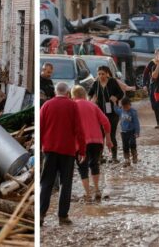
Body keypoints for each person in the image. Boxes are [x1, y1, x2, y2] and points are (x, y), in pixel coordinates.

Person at [40, 82, 86, 226]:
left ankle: (41, 215)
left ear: (55, 92)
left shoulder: (46, 105)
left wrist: (41, 147)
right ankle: (63, 216)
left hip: (49, 150)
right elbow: (79, 129)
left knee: (46, 183)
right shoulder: (73, 106)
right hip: (67, 151)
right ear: (67, 93)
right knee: (65, 184)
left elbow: (40, 127)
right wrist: (82, 150)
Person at [71, 85, 112, 201]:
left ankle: (88, 194)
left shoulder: (72, 106)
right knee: (94, 164)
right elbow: (106, 122)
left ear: (73, 96)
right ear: (84, 95)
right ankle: (97, 190)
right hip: (97, 141)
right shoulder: (93, 106)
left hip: (80, 143)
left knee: (82, 167)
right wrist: (108, 138)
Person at [89, 66, 124, 163]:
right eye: (99, 74)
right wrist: (92, 100)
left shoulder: (112, 82)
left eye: (103, 74)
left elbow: (121, 93)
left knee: (111, 134)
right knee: (100, 135)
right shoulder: (96, 83)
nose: (101, 76)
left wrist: (116, 97)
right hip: (99, 113)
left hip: (112, 113)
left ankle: (114, 157)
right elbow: (90, 94)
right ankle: (100, 156)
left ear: (107, 74)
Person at [142, 48, 159, 128]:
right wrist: (144, 85)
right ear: (156, 55)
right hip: (153, 86)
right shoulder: (151, 63)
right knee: (154, 105)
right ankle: (158, 122)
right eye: (158, 54)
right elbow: (145, 74)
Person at [115, 98, 140, 167]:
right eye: (124, 107)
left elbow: (136, 123)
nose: (125, 108)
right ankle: (127, 159)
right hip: (123, 132)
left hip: (132, 131)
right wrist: (114, 103)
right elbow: (116, 110)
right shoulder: (121, 111)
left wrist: (137, 132)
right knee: (125, 145)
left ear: (130, 105)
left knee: (132, 143)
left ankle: (134, 156)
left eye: (127, 107)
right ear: (122, 106)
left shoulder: (133, 112)